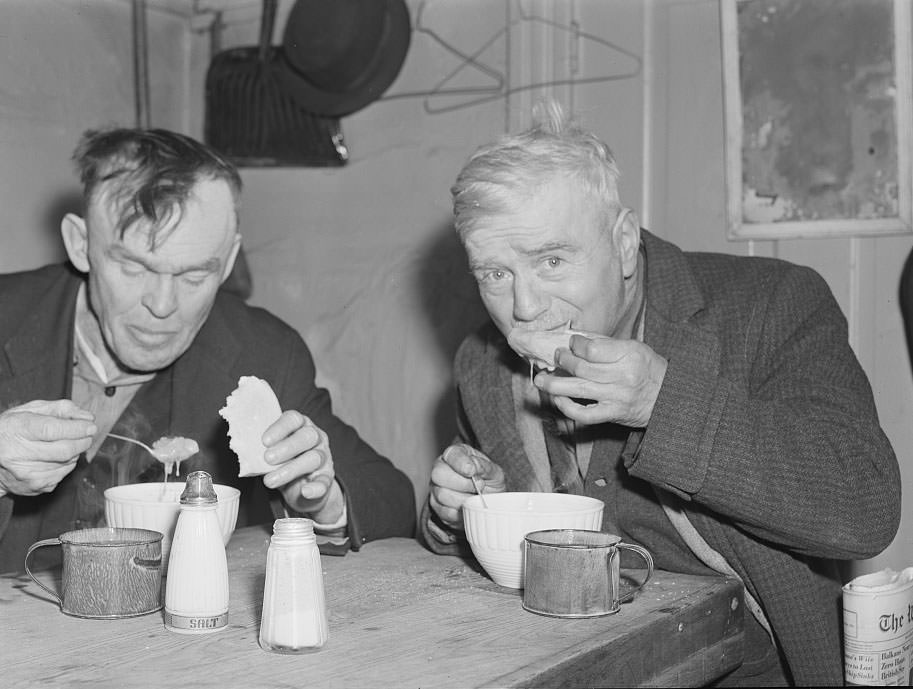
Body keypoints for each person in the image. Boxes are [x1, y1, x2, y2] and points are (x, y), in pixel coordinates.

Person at [421, 101, 900, 686]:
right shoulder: (484, 364)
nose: (524, 307)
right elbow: (486, 554)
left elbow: (866, 506)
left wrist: (660, 400)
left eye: (551, 260)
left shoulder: (771, 305)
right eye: (494, 274)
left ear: (624, 243)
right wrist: (461, 509)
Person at [0, 127, 416, 571]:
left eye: (194, 276)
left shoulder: (263, 350)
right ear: (81, 245)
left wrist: (323, 501)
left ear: (229, 261)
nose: (162, 306)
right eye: (133, 267)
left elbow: (391, 499)